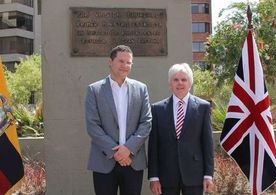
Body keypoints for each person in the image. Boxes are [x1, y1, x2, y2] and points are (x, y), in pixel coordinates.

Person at [85, 45, 152, 195]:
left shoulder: (141, 89)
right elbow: (92, 125)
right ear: (110, 61)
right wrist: (115, 152)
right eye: (121, 61)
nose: (125, 66)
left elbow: (146, 122)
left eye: (129, 62)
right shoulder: (94, 90)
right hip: (104, 160)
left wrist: (128, 149)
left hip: (132, 161)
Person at [148, 63, 214, 195]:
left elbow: (207, 143)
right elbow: (153, 146)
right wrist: (154, 177)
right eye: (175, 80)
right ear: (170, 84)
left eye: (184, 80)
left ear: (190, 83)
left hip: (195, 175)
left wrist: (208, 174)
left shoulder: (203, 107)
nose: (180, 83)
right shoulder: (157, 109)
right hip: (166, 176)